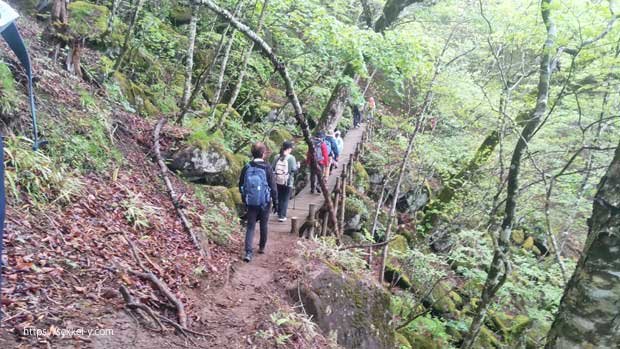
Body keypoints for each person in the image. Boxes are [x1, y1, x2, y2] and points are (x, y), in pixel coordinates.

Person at [239, 142, 278, 262]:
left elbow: (241, 185)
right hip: (265, 202)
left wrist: (245, 199)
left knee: (250, 226)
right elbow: (273, 186)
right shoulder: (267, 167)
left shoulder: (247, 167)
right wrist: (276, 202)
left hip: (251, 202)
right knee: (263, 225)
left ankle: (248, 253)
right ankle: (261, 247)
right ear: (263, 153)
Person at [272, 141, 297, 222]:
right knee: (285, 199)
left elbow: (272, 167)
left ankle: (279, 213)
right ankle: (282, 216)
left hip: (277, 180)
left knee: (279, 197)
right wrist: (298, 167)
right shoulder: (291, 158)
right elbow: (293, 169)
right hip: (287, 181)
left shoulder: (277, 157)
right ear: (289, 148)